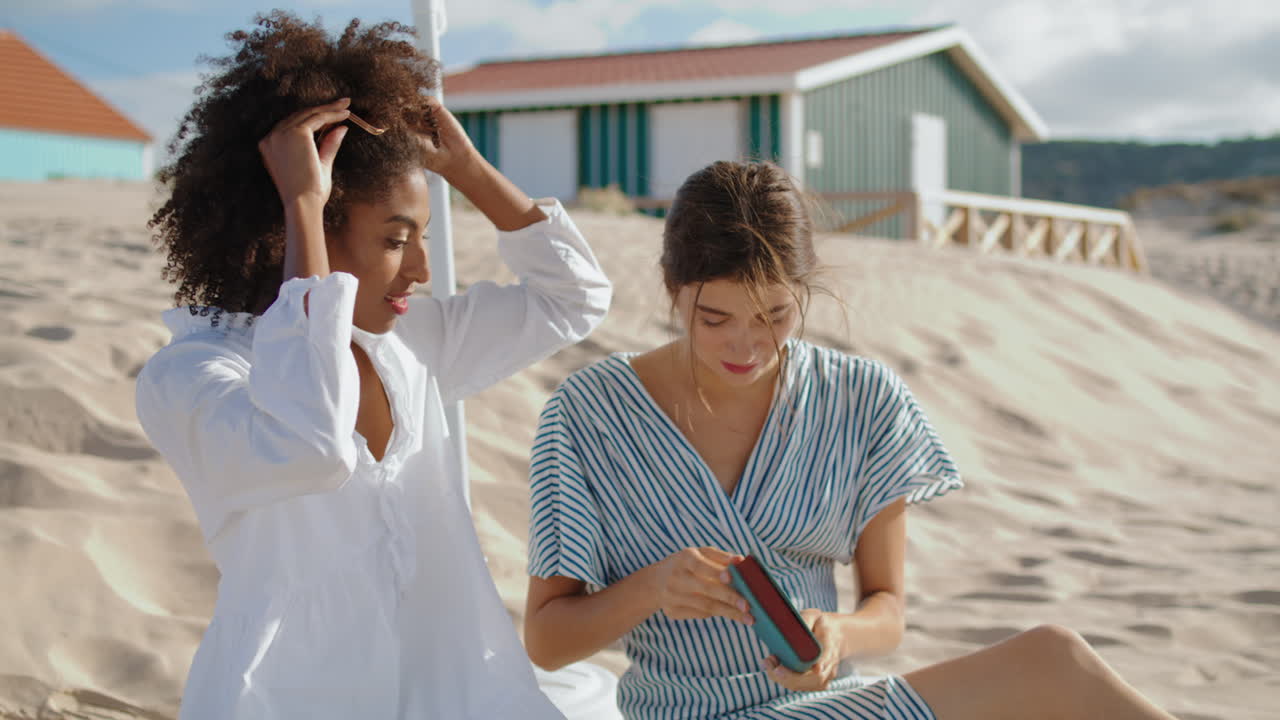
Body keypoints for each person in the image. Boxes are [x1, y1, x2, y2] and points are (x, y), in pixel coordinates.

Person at [522, 160, 1176, 720]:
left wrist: (836, 635)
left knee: (1056, 662)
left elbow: (887, 610)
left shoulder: (861, 398)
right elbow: (548, 641)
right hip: (685, 713)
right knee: (1051, 660)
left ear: (803, 293)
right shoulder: (589, 414)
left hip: (831, 702)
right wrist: (653, 587)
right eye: (714, 318)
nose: (746, 345)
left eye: (774, 315)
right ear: (674, 290)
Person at [135, 11, 610, 719]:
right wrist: (301, 200)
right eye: (396, 238)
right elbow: (309, 443)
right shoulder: (191, 379)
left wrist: (466, 168)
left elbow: (573, 297)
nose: (420, 267)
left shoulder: (407, 345)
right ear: (303, 227)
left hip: (456, 692)